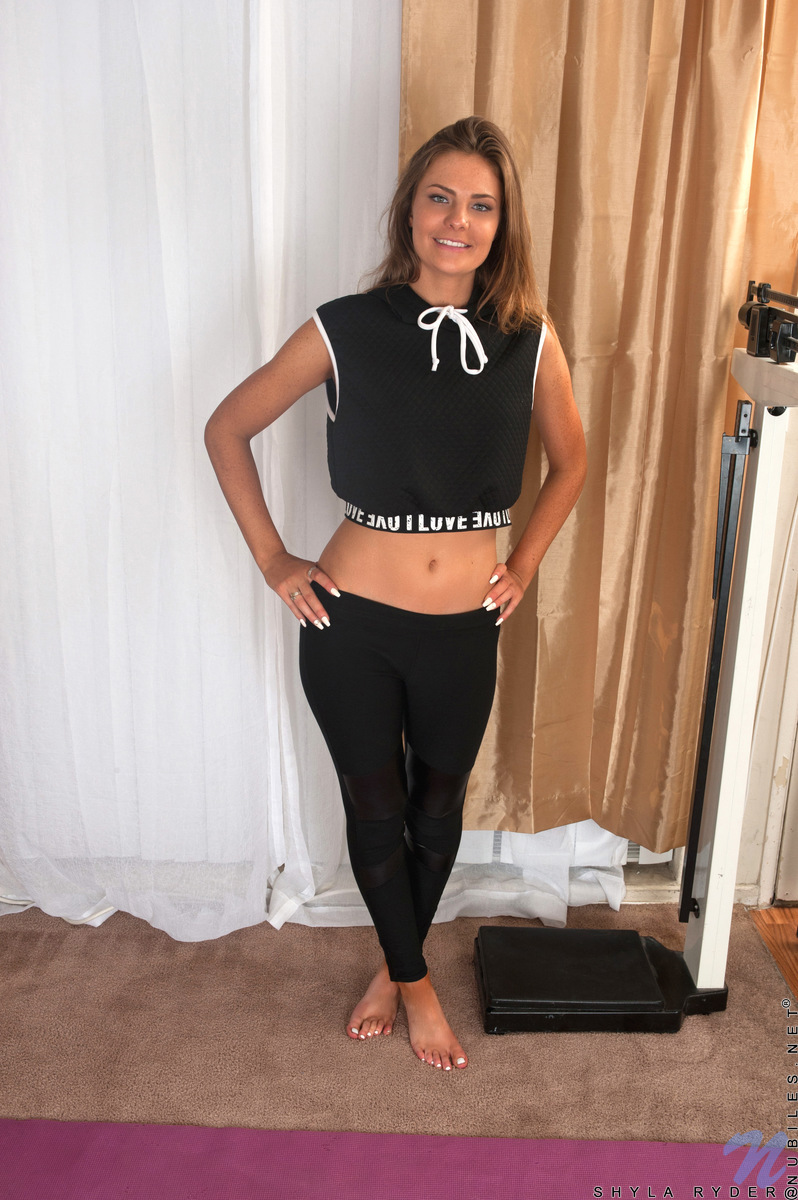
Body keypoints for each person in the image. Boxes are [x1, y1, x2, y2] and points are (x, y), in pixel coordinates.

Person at [204, 116, 586, 1072]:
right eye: (440, 198)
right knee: (375, 812)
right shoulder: (345, 327)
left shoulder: (529, 338)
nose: (458, 221)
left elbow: (572, 461)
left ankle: (392, 961)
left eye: (481, 205)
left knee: (436, 807)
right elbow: (227, 427)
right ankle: (414, 983)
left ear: (502, 224)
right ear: (409, 210)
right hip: (351, 624)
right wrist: (274, 559)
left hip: (465, 625)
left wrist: (525, 563)